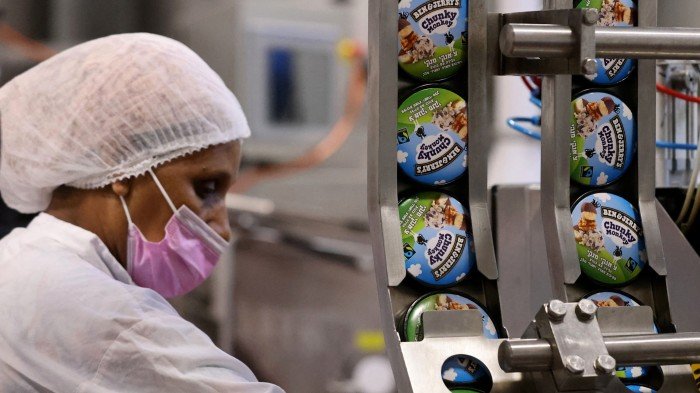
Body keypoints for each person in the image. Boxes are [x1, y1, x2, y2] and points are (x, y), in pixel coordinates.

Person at [0, 33, 284, 392]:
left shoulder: (22, 260)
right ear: (123, 171)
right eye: (206, 189)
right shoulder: (93, 310)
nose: (223, 229)